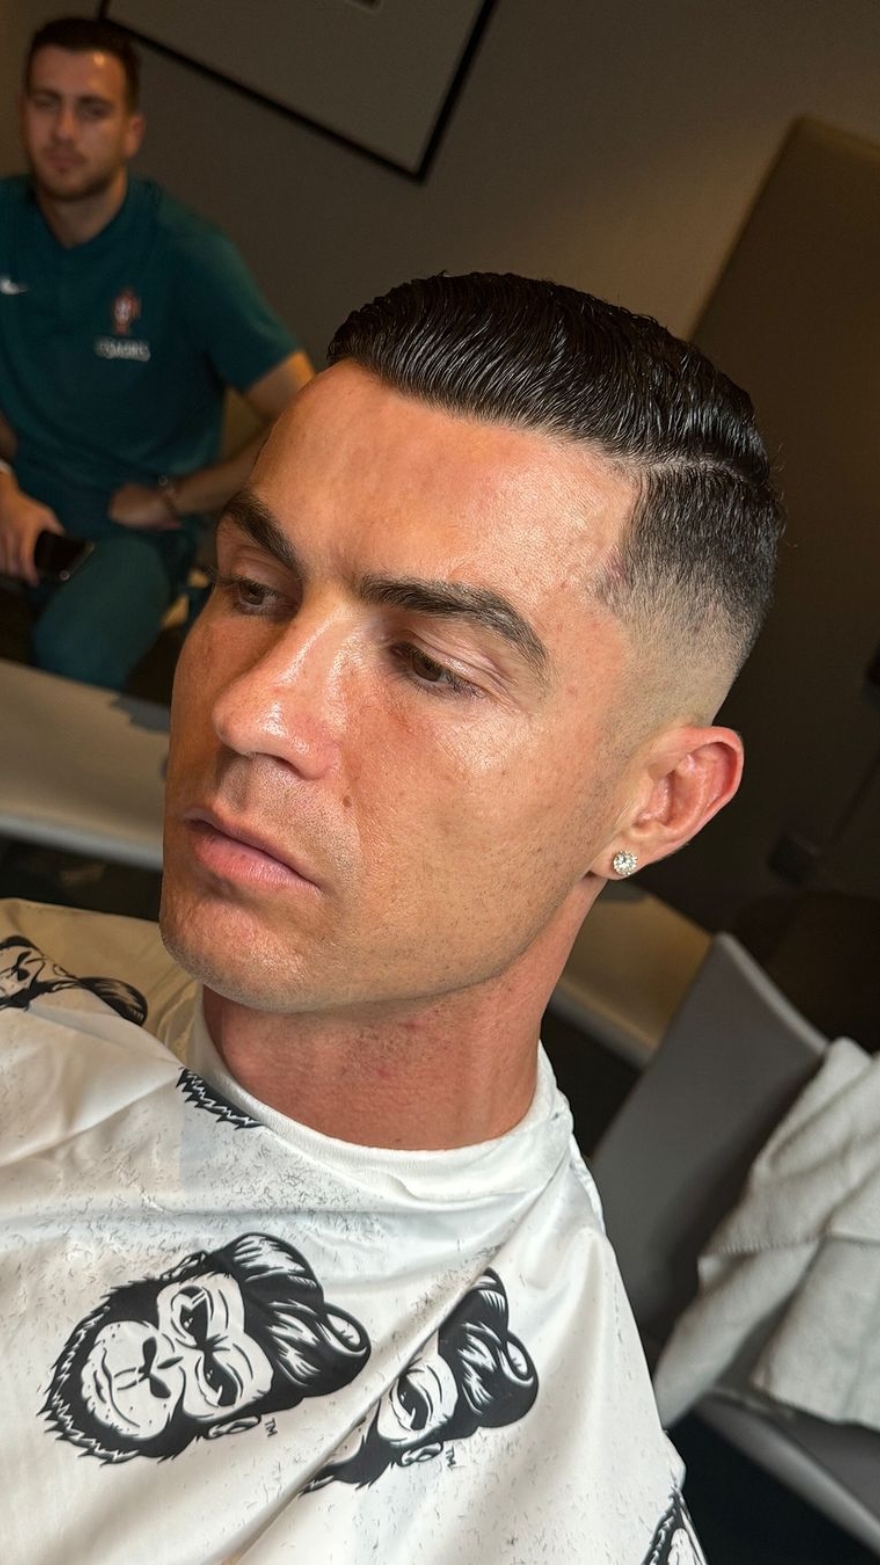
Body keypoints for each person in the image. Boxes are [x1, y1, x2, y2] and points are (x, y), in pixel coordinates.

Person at [0, 272, 782, 1563]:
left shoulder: (542, 1501)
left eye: (428, 663)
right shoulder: (39, 945)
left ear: (656, 801)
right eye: (253, 586)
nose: (255, 709)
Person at [0, 15, 313, 690]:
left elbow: (307, 412)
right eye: (47, 104)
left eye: (91, 111)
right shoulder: (4, 220)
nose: (62, 131)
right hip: (16, 491)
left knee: (74, 651)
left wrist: (179, 495)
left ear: (130, 132)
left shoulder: (187, 256)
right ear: (23, 111)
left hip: (129, 529)